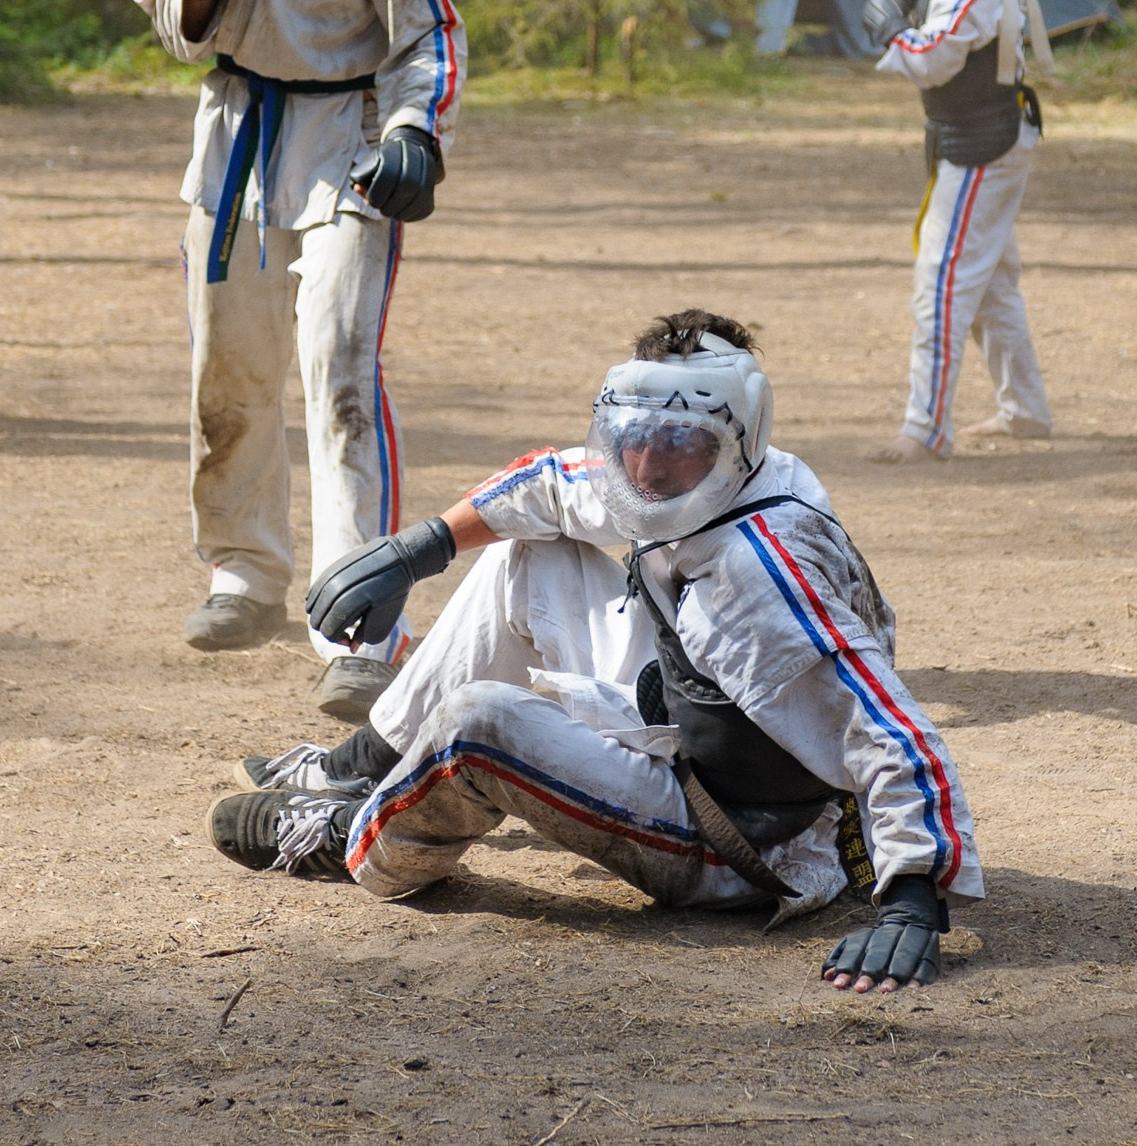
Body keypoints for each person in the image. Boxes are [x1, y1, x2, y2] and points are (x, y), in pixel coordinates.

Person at [208, 310, 981, 995]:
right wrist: (419, 547)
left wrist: (914, 896)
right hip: (694, 736)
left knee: (482, 723)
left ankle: (361, 841)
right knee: (525, 555)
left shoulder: (761, 573)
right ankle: (362, 763)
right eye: (635, 436)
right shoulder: (722, 468)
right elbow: (547, 483)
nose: (647, 464)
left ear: (737, 435)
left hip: (744, 842)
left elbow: (889, 726)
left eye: (679, 440)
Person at [130, 0, 467, 722]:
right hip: (235, 131)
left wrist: (416, 130)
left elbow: (430, 31)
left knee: (338, 366)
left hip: (348, 134)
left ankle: (358, 615)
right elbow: (163, 14)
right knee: (228, 366)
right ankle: (243, 567)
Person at [861, 0, 1056, 462]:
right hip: (981, 139)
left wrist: (895, 30)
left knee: (942, 283)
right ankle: (1025, 411)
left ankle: (925, 430)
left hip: (981, 148)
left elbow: (933, 56)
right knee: (992, 285)